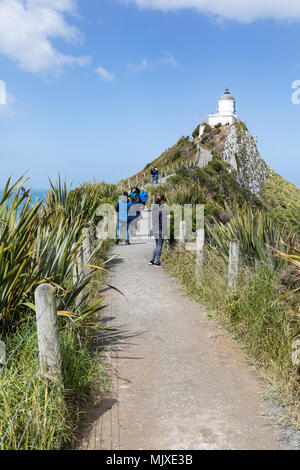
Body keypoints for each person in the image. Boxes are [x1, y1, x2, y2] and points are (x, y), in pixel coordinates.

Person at [149, 195, 168, 267]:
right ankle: (157, 262)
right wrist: (166, 233)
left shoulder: (154, 208)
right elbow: (164, 222)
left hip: (155, 229)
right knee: (160, 246)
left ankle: (152, 260)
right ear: (162, 201)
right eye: (164, 201)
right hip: (161, 229)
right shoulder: (162, 209)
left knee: (157, 245)